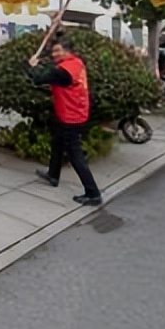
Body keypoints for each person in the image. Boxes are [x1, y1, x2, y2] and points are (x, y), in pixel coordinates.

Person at [28, 36, 102, 206]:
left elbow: (39, 78)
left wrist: (32, 67)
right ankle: (53, 175)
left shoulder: (64, 71)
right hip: (73, 113)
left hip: (71, 116)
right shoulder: (75, 63)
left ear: (66, 51)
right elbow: (53, 69)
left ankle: (93, 193)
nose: (54, 54)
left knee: (75, 154)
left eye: (57, 50)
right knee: (58, 142)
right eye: (53, 50)